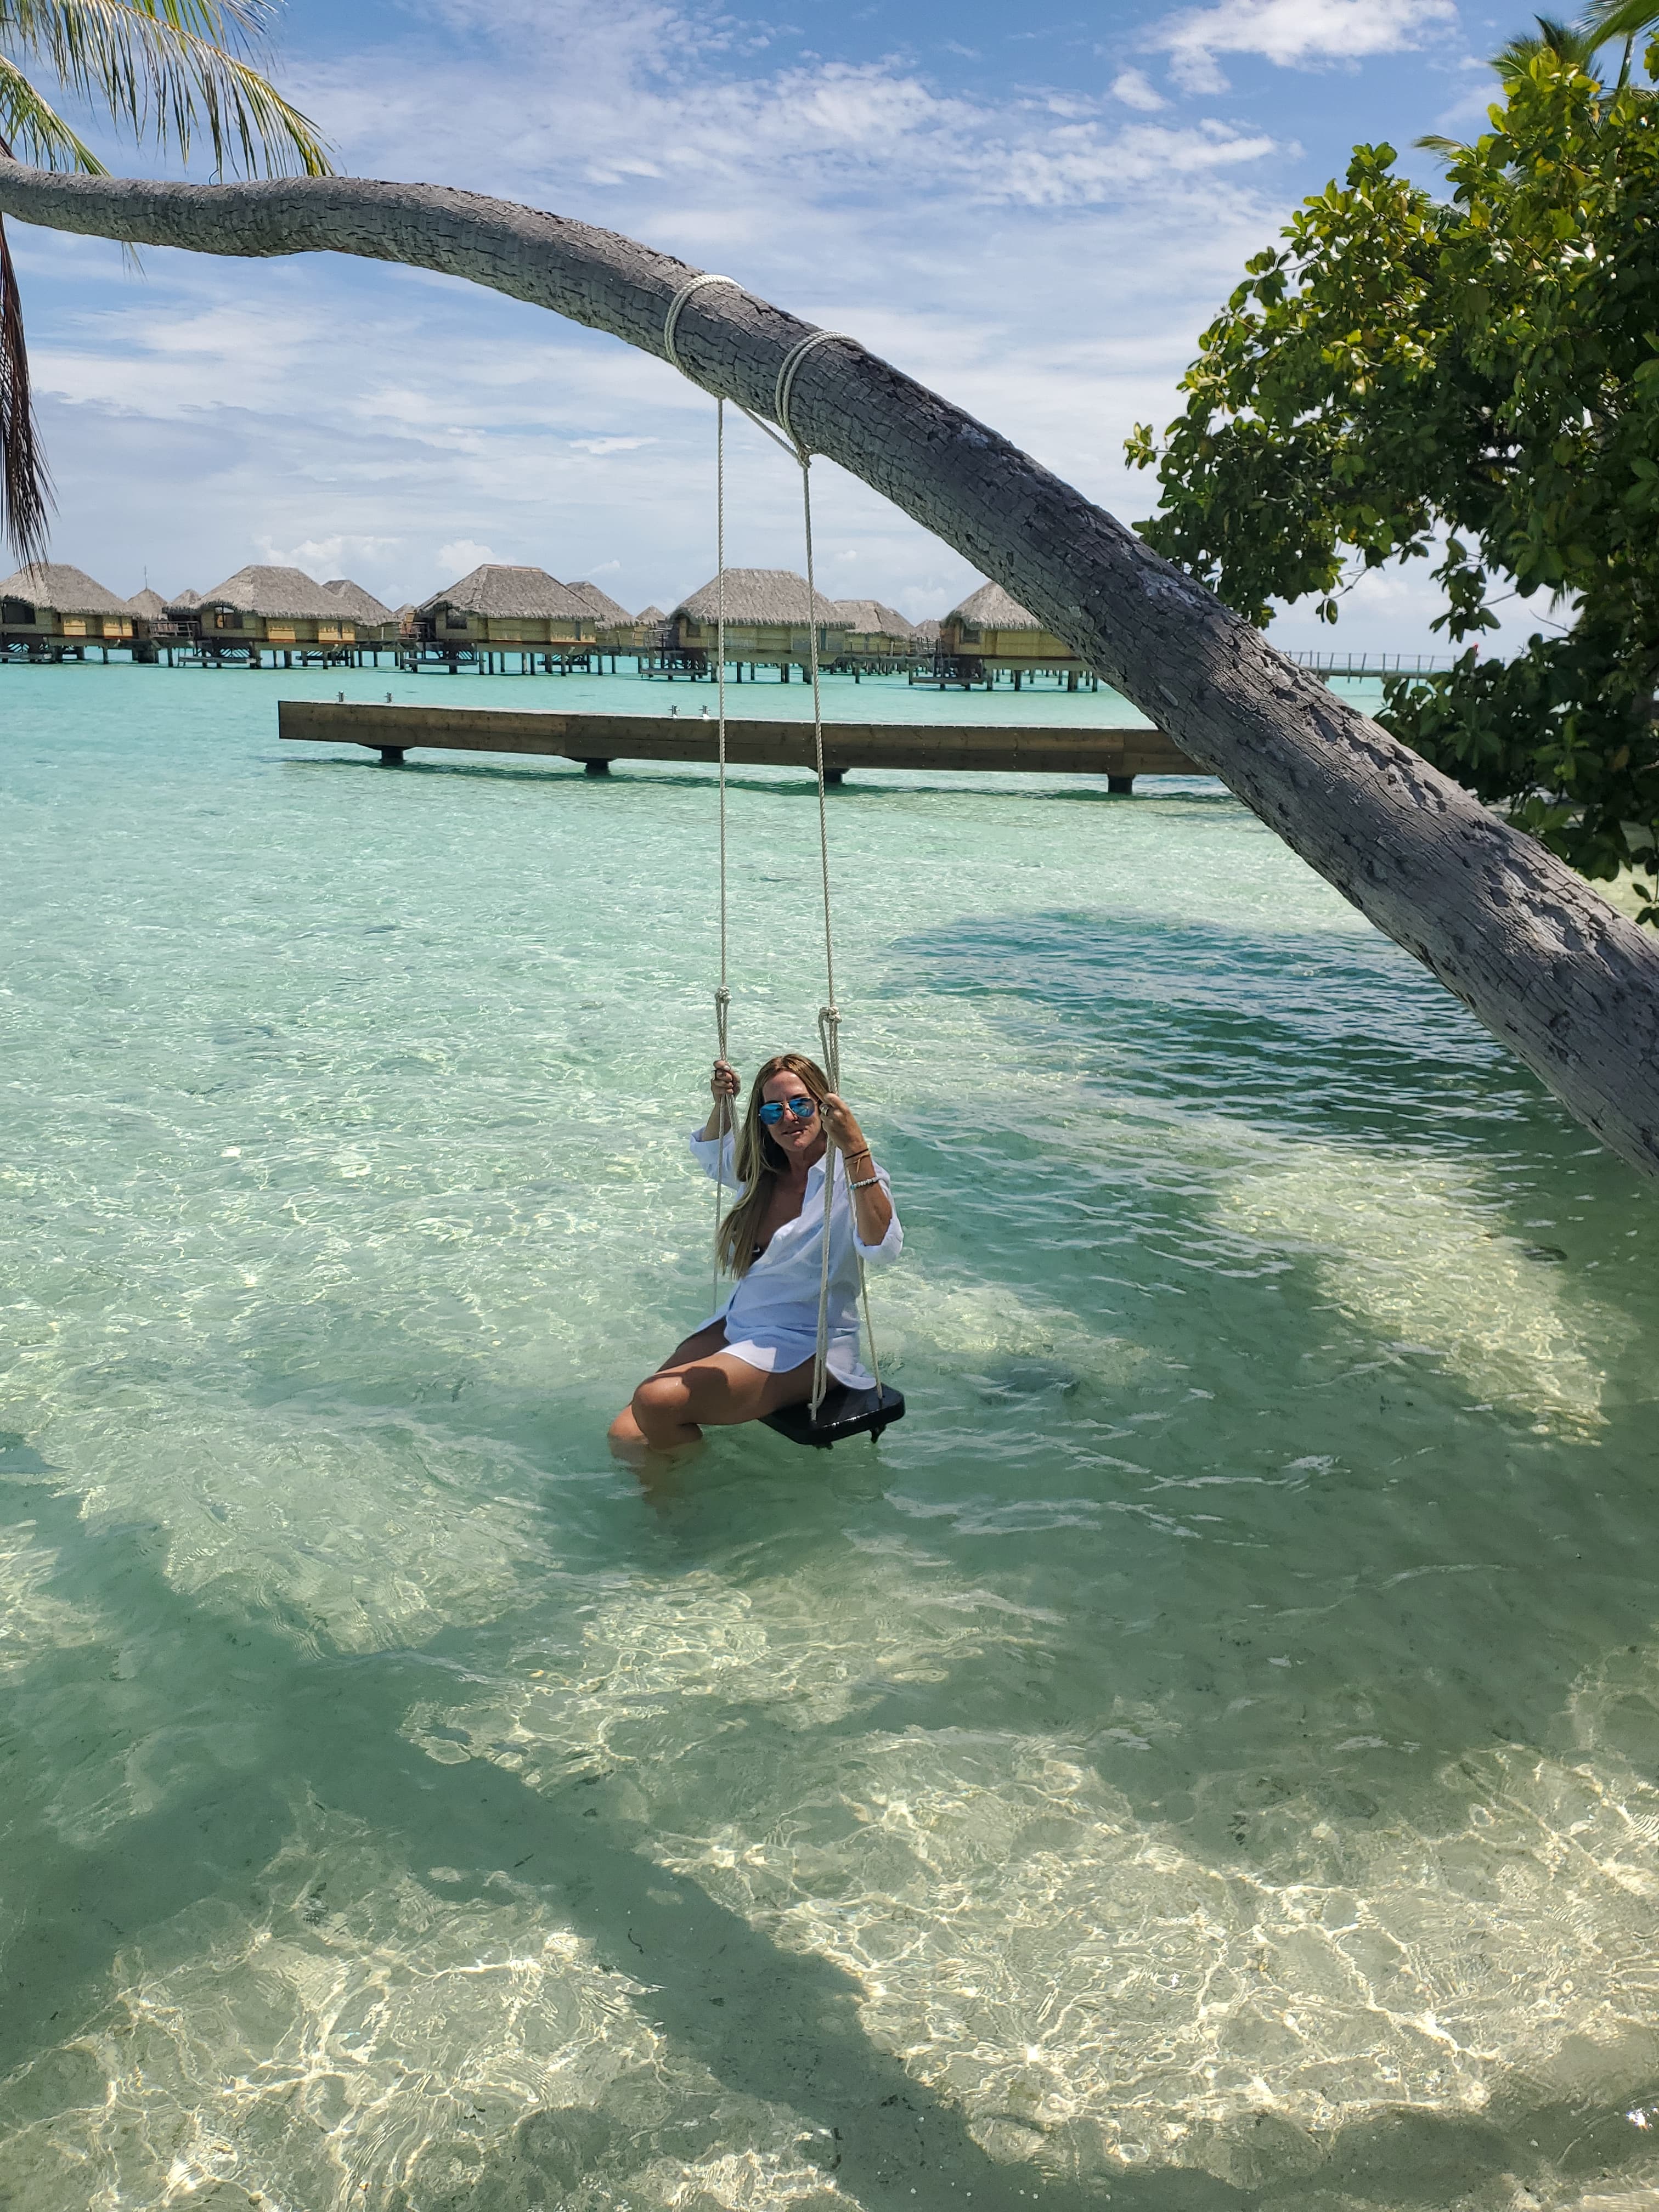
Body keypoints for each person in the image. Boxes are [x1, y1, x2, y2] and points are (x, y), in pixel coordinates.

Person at [608, 1052, 901, 1455]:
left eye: (801, 1104)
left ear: (824, 1106)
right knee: (626, 1431)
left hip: (809, 1343)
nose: (789, 1117)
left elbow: (883, 1248)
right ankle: (671, 1501)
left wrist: (855, 1148)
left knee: (656, 1402)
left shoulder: (850, 1180)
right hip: (742, 1321)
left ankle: (688, 1509)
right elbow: (714, 1155)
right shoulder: (762, 1170)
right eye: (772, 1110)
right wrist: (721, 1104)